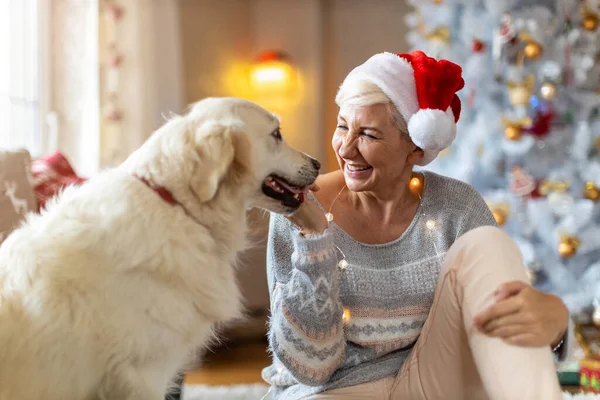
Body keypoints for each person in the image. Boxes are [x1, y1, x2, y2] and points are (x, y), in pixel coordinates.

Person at [261, 50, 572, 400]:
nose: (346, 149)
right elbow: (310, 367)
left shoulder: (455, 206)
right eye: (343, 126)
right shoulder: (301, 206)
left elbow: (501, 321)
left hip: (430, 381)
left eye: (368, 135)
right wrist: (315, 238)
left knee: (489, 243)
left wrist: (557, 323)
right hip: (332, 390)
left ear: (414, 148)